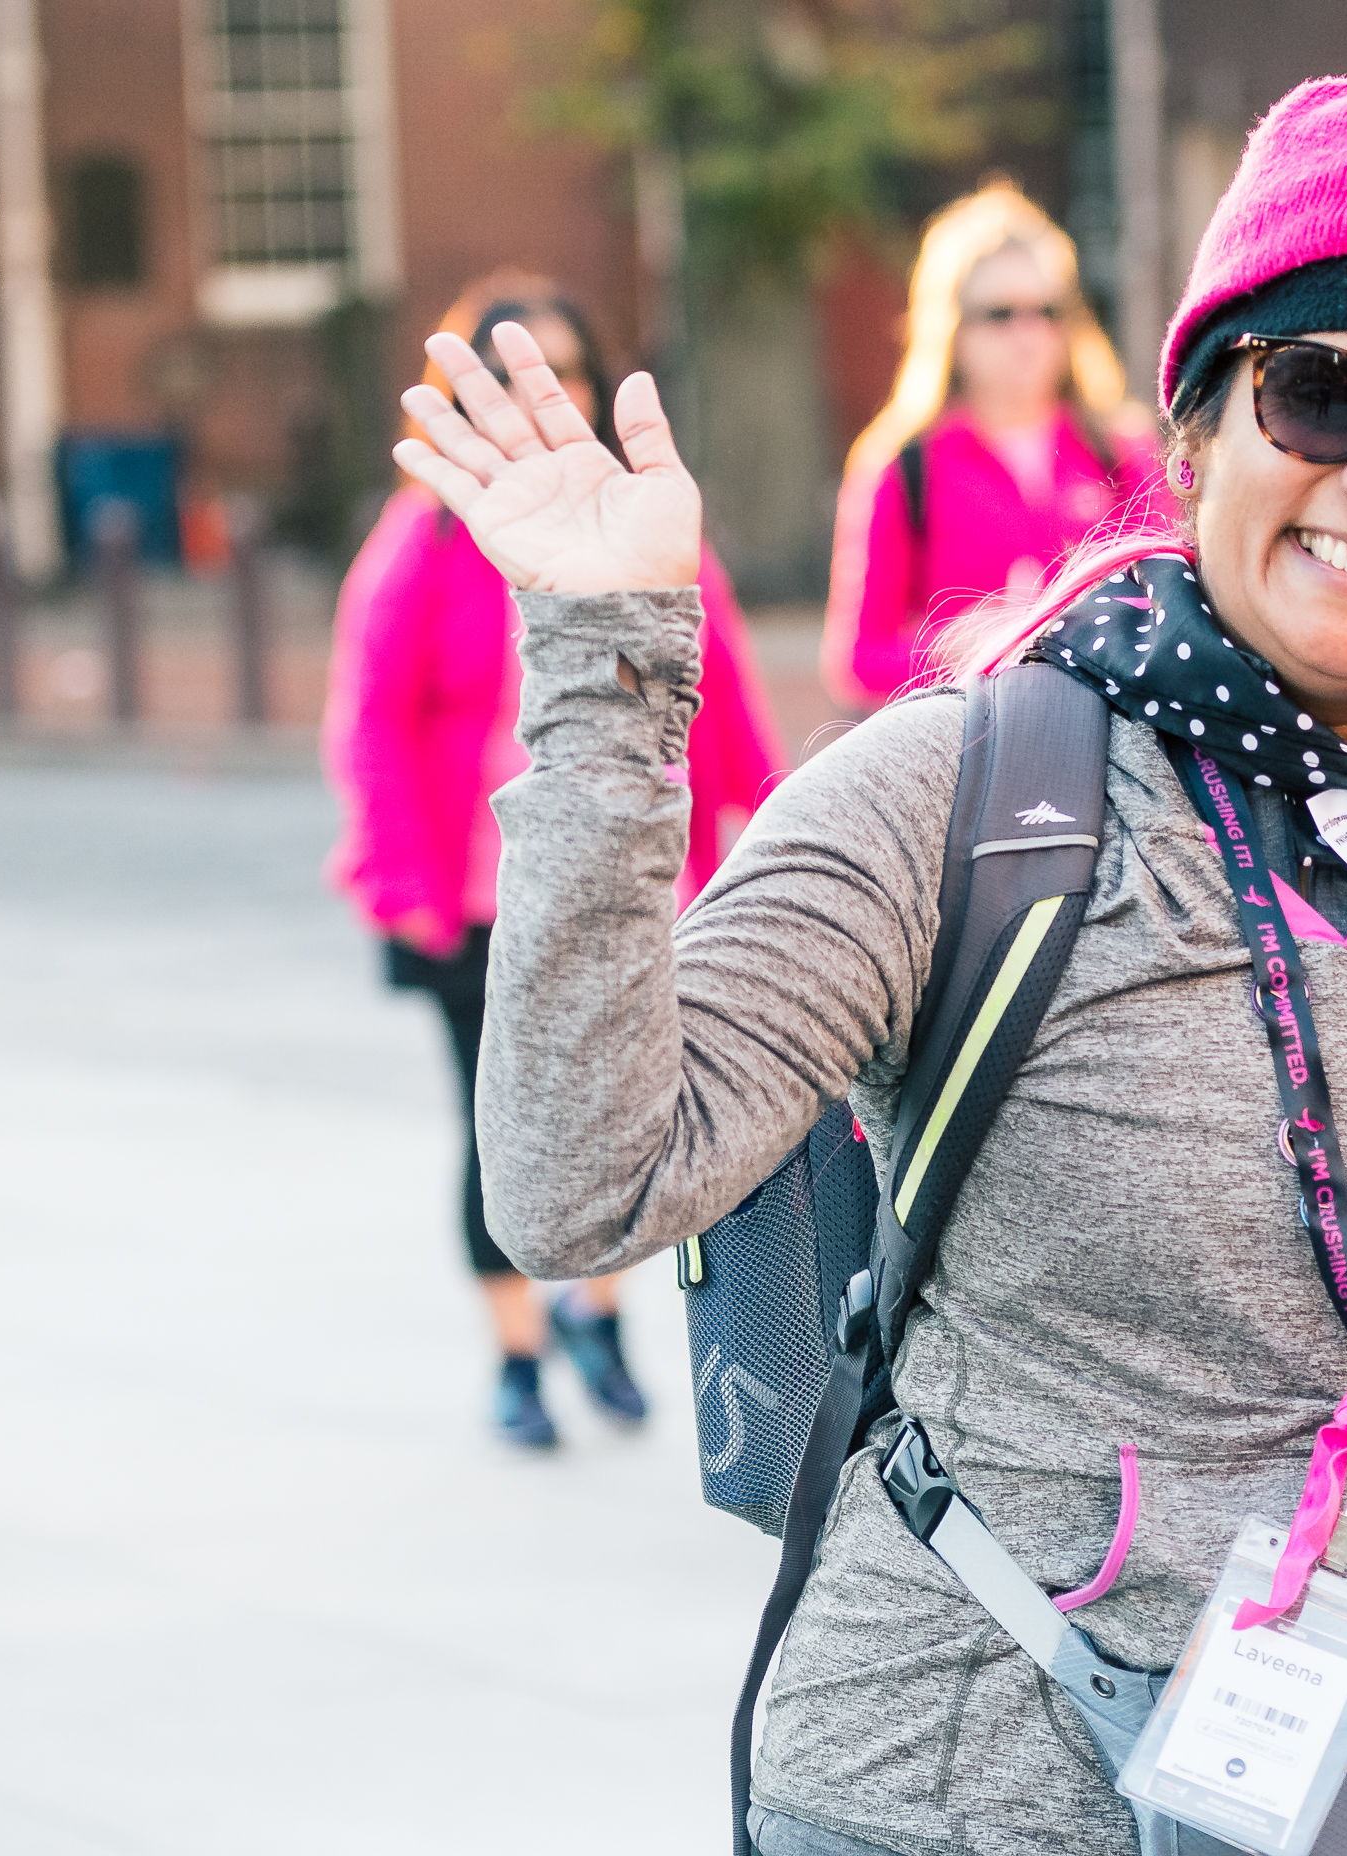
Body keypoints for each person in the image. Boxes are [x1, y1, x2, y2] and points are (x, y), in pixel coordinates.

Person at [398, 65, 1347, 1855]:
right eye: (1322, 390)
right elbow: (579, 1189)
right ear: (1200, 418)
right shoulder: (962, 797)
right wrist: (610, 670)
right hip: (945, 1789)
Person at [323, 272, 785, 1449]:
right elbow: (368, 717)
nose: (551, 393)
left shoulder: (645, 528)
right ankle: (518, 1353)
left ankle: (598, 1310)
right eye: (521, 372)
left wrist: (771, 824)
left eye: (570, 369)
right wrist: (401, 883)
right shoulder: (425, 539)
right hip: (472, 897)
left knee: (621, 1108)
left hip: (621, 887)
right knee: (495, 1127)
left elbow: (720, 685)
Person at [820, 181, 1160, 711]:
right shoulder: (902, 467)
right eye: (1000, 314)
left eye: (1046, 310)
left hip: (1108, 742)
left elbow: (1173, 611)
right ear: (953, 329)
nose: (1027, 332)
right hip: (967, 743)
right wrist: (961, 649)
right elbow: (856, 660)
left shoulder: (1121, 453)